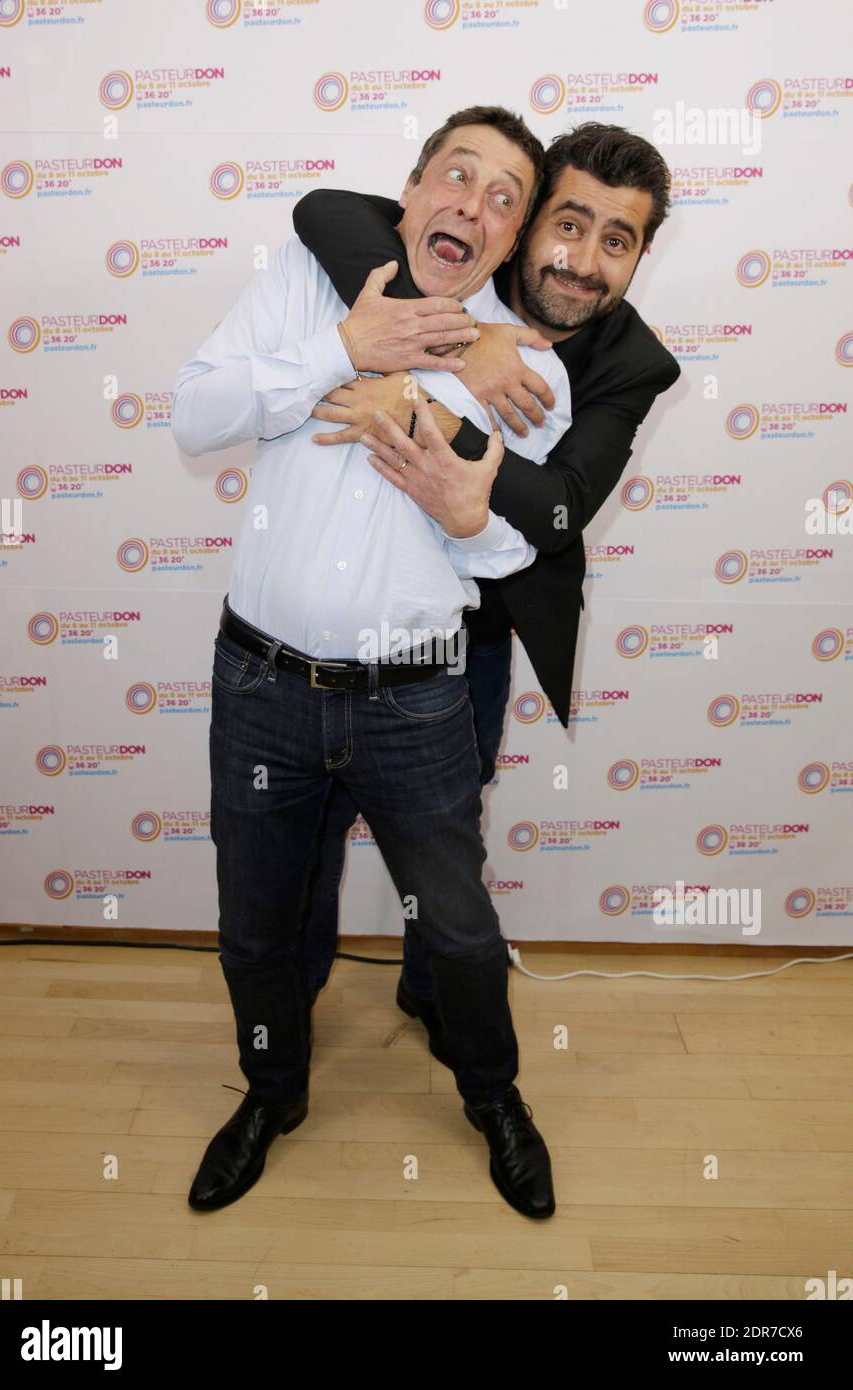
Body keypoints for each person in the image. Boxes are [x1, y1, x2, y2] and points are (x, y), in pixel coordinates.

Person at [171, 106, 572, 1220]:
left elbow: (511, 550)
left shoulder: (525, 371)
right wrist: (340, 353)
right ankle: (270, 1091)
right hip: (260, 687)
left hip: (418, 702)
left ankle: (492, 1098)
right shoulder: (309, 285)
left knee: (456, 929)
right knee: (255, 924)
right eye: (458, 176)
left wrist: (466, 508)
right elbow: (193, 415)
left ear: (511, 238)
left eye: (505, 199)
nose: (475, 206)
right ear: (409, 191)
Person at [291, 122, 683, 1058]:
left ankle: (440, 1004)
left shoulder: (634, 363)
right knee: (306, 837)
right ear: (523, 223)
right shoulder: (455, 258)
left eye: (616, 240)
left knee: (447, 850)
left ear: (639, 258)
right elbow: (324, 211)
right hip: (342, 614)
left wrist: (422, 407)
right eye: (568, 224)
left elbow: (557, 513)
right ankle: (288, 1010)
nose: (583, 262)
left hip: (472, 634)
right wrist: (462, 343)